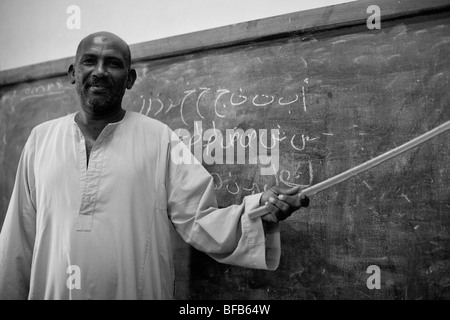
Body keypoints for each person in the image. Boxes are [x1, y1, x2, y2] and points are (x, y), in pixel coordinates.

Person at [0, 32, 309, 300]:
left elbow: (200, 219)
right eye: (89, 61)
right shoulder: (41, 140)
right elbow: (18, 241)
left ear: (130, 78)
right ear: (72, 72)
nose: (99, 71)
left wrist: (258, 211)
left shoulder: (160, 139)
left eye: (113, 63)